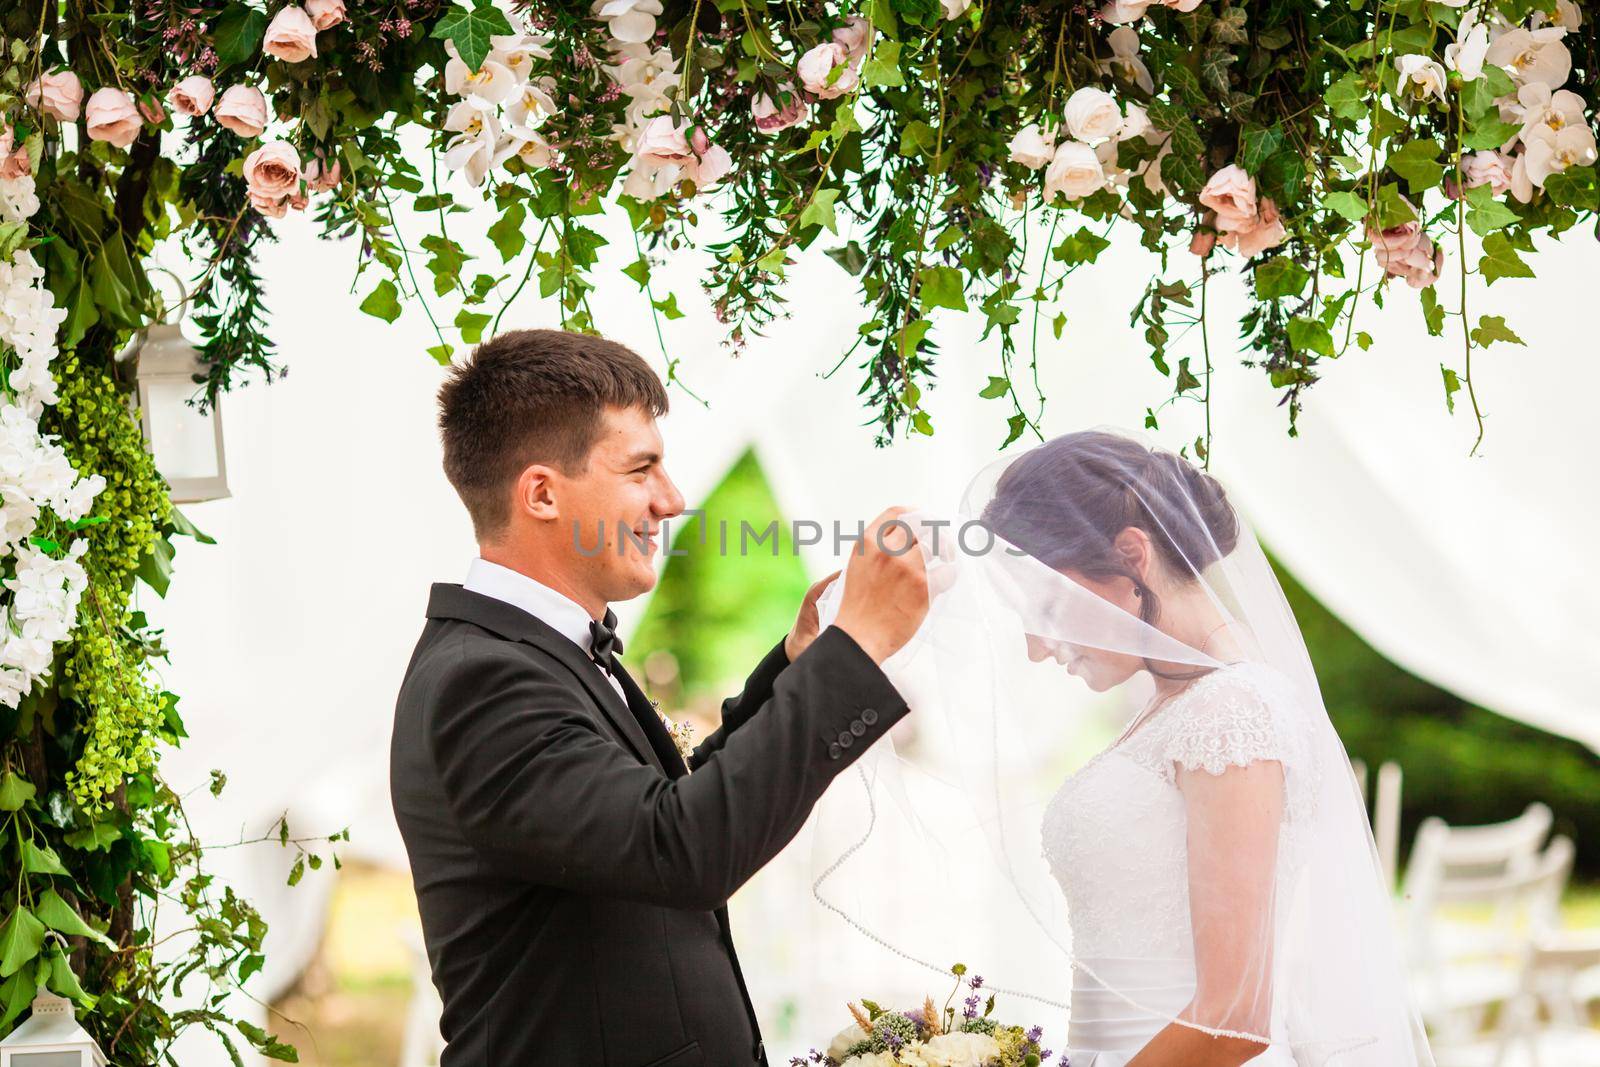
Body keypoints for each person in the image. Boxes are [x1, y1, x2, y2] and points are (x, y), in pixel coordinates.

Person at [390, 328, 929, 1066]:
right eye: (641, 469)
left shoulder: (539, 653)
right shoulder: (481, 680)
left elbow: (659, 810)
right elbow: (680, 847)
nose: (671, 500)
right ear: (542, 492)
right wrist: (856, 649)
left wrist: (801, 664)